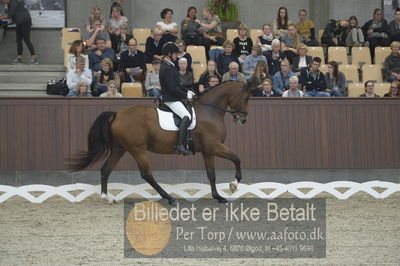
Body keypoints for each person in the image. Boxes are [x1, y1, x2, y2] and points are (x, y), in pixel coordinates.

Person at [159, 42, 195, 155]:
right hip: (170, 99)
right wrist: (185, 96)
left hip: (173, 97)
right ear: (169, 54)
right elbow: (172, 88)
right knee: (187, 116)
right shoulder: (167, 68)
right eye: (175, 53)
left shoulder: (170, 66)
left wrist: (187, 91)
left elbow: (178, 86)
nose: (176, 56)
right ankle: (180, 145)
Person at [3, 0, 38, 64]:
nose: (2, 2)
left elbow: (9, 16)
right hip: (19, 22)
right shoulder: (9, 5)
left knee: (26, 40)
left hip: (25, 20)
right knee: (18, 40)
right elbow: (13, 17)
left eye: (2, 0)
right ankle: (19, 59)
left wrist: (1, 17)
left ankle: (34, 59)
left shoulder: (13, 2)